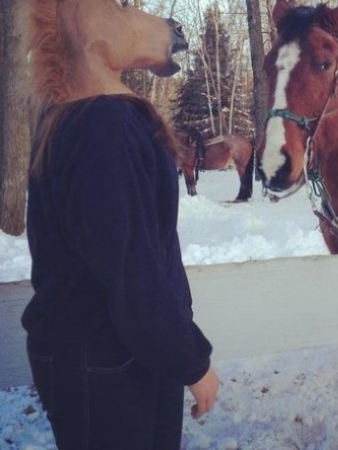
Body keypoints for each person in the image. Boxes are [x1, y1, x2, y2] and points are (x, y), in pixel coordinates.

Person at [23, 94, 219, 450]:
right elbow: (131, 269)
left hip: (134, 352)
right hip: (110, 360)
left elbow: (145, 252)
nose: (170, 35)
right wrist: (191, 362)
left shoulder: (94, 115)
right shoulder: (101, 120)